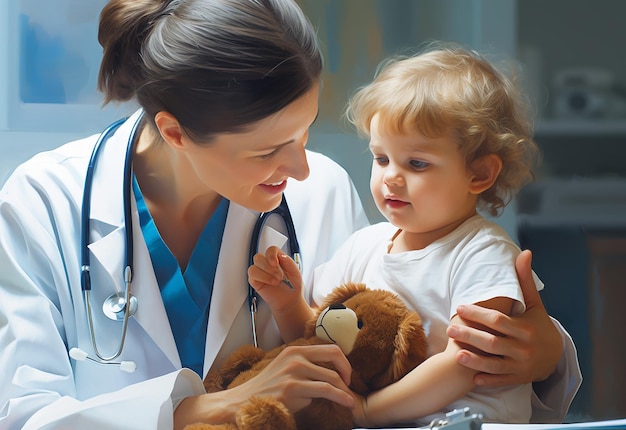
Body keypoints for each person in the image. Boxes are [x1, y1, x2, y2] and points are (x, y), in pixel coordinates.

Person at [0, 0, 577, 428]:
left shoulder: (317, 191)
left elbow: (381, 347)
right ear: (175, 131)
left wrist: (544, 352)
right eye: (268, 150)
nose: (301, 168)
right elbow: (24, 413)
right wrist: (208, 410)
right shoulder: (46, 202)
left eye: (304, 134)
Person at [248, 44, 582, 427]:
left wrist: (368, 411)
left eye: (417, 163)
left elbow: (464, 363)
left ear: (479, 174)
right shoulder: (364, 246)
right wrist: (289, 307)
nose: (391, 176)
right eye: (381, 158)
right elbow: (325, 340)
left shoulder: (483, 254)